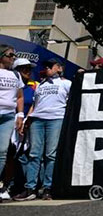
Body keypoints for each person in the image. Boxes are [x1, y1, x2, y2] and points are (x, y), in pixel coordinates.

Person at [13, 58, 71, 201]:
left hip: (56, 119)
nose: (47, 68)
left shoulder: (66, 83)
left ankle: (47, 188)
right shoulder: (40, 85)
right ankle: (30, 188)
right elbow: (35, 104)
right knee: (34, 154)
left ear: (59, 68)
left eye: (51, 66)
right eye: (46, 66)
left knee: (51, 154)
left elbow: (72, 102)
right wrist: (28, 119)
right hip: (37, 120)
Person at [0, 45, 24, 201]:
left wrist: (20, 114)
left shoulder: (16, 75)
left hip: (8, 116)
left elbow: (20, 96)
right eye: (10, 55)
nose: (13, 58)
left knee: (2, 151)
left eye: (14, 56)